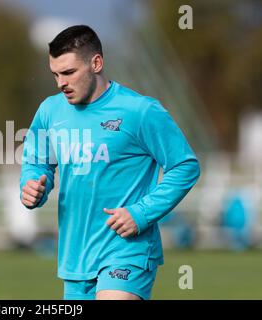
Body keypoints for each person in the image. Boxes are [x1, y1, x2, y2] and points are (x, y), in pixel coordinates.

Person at [20, 25, 200, 300]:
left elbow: (185, 166)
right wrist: (32, 185)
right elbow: (37, 162)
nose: (60, 83)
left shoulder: (140, 111)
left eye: (68, 73)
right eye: (55, 74)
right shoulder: (50, 111)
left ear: (96, 63)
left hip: (127, 250)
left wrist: (141, 213)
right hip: (75, 255)